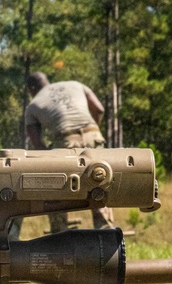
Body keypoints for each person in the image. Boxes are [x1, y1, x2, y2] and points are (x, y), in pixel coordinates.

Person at [24, 72, 114, 233]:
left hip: (65, 141)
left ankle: (60, 233)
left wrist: (51, 156)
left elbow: (38, 144)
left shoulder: (33, 106)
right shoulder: (76, 85)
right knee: (99, 182)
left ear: (31, 89)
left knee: (58, 187)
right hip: (94, 134)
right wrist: (92, 130)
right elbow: (99, 109)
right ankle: (106, 231)